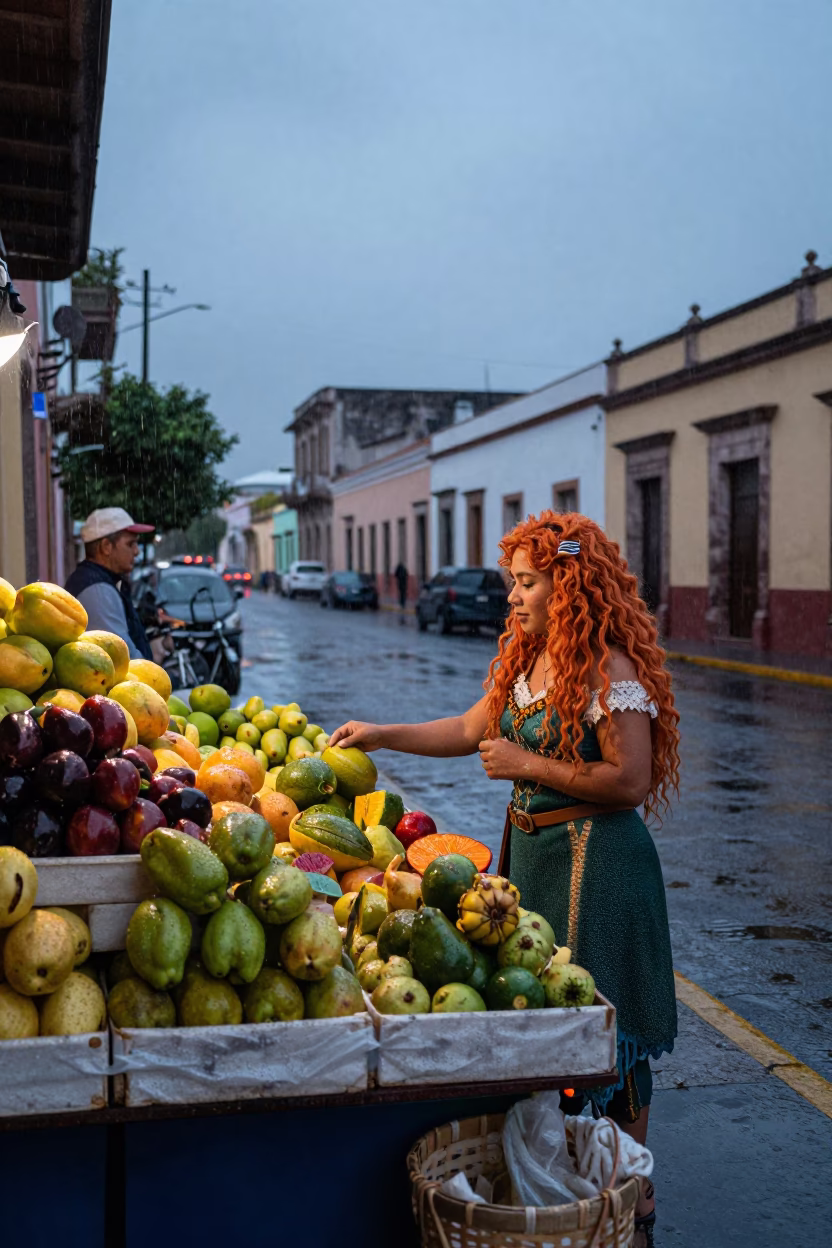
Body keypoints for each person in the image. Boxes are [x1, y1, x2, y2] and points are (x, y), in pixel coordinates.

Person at [331, 512, 680, 1248]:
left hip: (604, 868)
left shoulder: (609, 671)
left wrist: (529, 766)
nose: (513, 597)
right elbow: (466, 731)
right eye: (512, 583)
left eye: (527, 582)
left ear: (570, 582)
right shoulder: (527, 662)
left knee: (610, 1037)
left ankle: (633, 1200)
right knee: (543, 1018)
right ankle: (560, 1183)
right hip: (536, 860)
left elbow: (631, 780)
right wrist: (380, 732)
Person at [66, 508, 155, 660]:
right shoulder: (97, 590)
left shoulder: (98, 581)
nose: (136, 552)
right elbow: (122, 657)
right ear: (106, 546)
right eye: (130, 544)